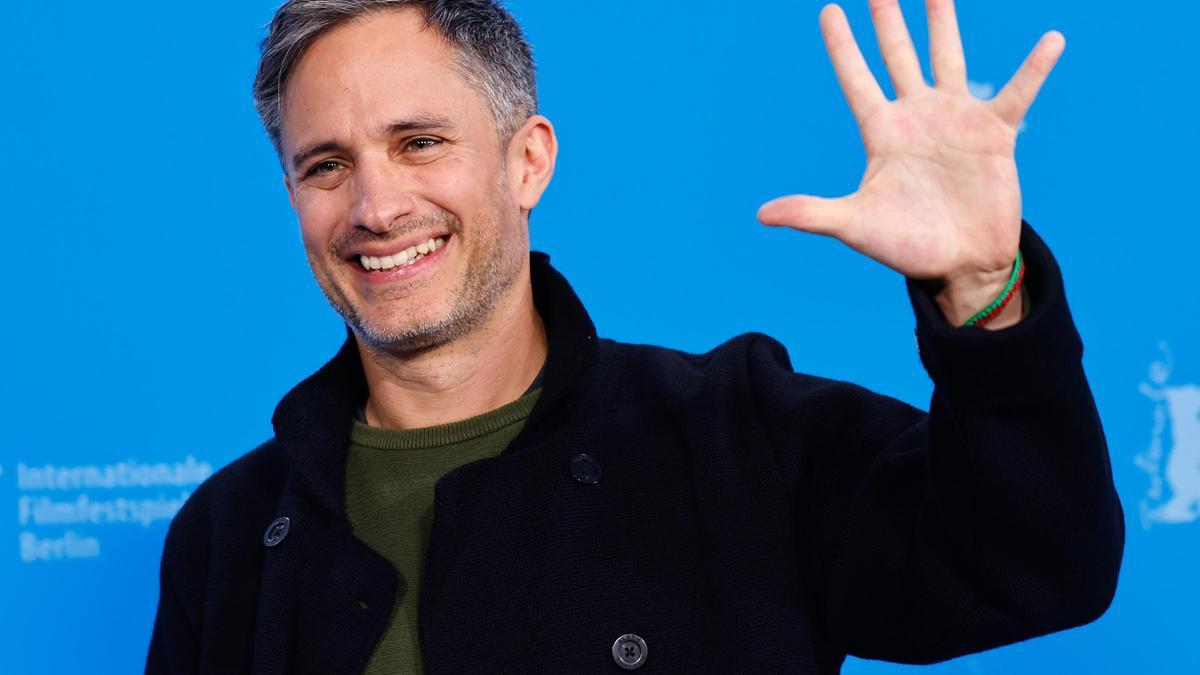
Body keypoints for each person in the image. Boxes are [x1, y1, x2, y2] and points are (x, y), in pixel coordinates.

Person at [146, 0, 1124, 672]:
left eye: (420, 143)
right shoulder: (228, 532)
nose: (375, 204)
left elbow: (1035, 568)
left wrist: (981, 291)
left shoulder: (736, 435)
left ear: (526, 163)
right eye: (325, 165)